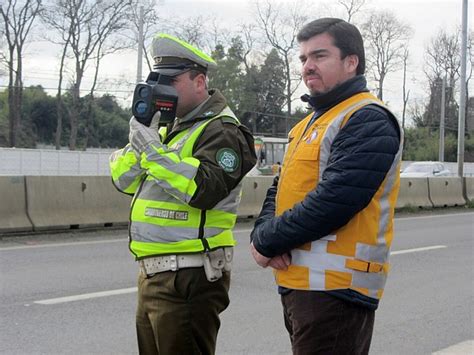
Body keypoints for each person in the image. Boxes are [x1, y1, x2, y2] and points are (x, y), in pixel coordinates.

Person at [249, 18, 403, 355]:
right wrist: (261, 232)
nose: (307, 67)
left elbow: (337, 199)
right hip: (301, 287)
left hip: (337, 289)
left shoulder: (367, 117)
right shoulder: (308, 124)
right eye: (303, 59)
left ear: (351, 62)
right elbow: (281, 187)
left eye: (319, 56)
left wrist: (267, 240)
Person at [109, 33, 256, 355]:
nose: (161, 90)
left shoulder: (222, 130)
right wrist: (144, 136)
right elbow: (122, 179)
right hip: (154, 272)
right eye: (156, 81)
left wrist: (152, 150)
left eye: (170, 81)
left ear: (199, 81)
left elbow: (205, 189)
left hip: (190, 273)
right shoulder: (168, 129)